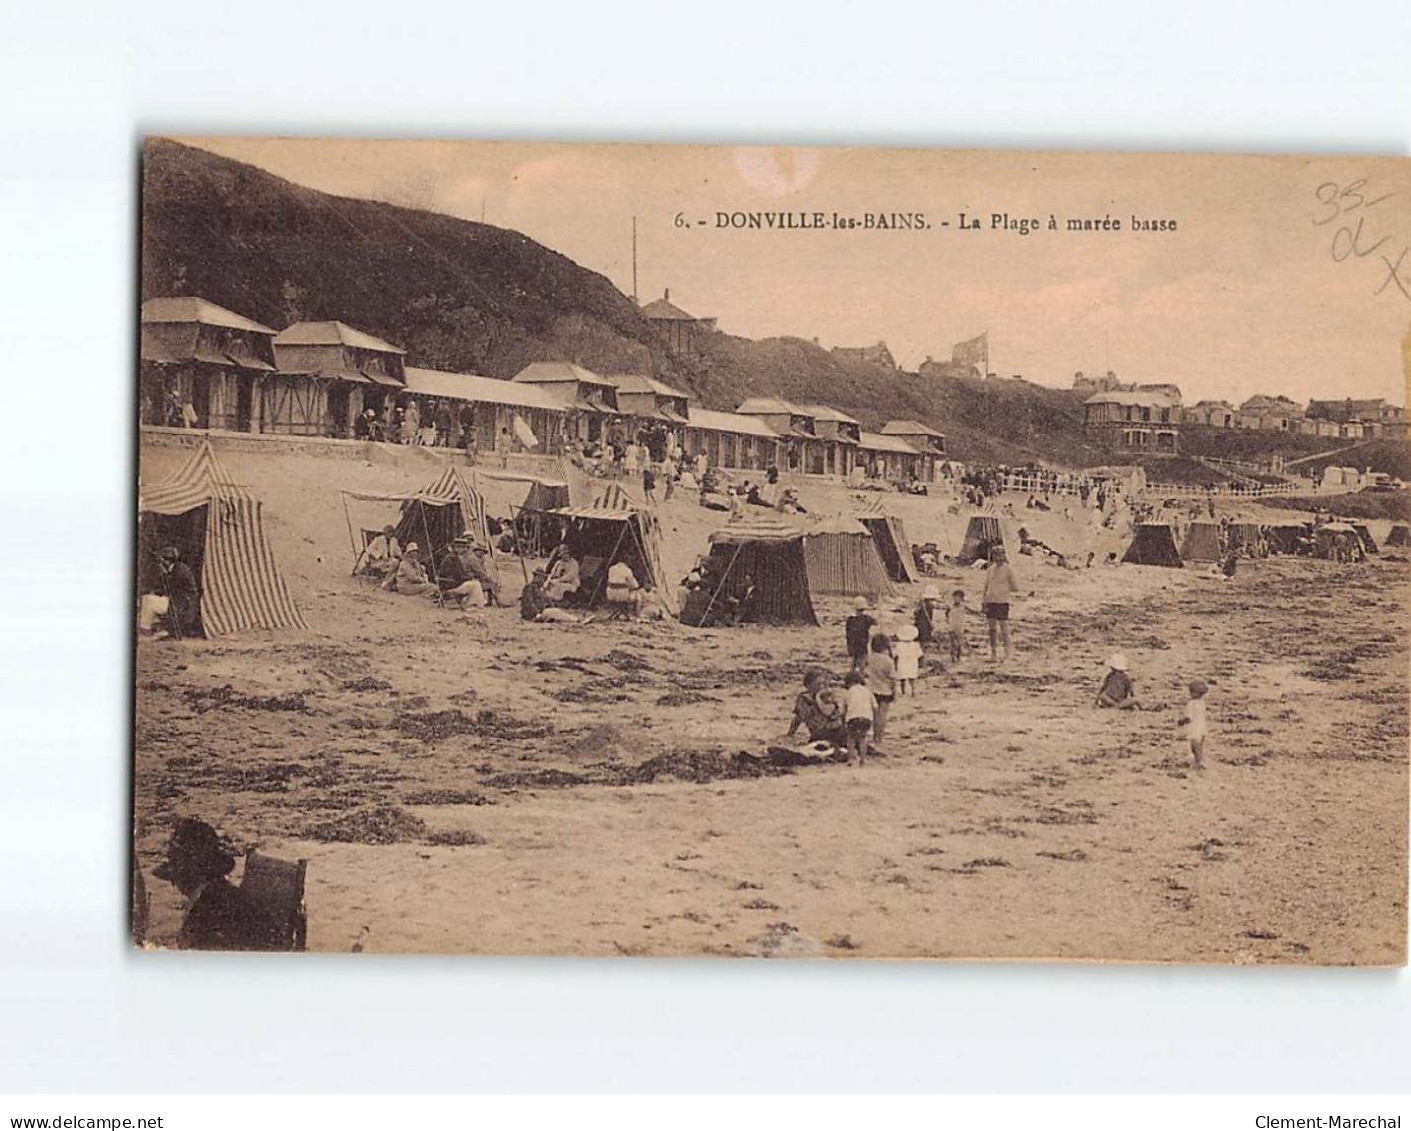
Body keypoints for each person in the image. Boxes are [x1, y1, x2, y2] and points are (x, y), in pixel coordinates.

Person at [152, 818, 266, 951]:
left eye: (176, 877)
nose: (173, 884)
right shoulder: (222, 893)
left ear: (187, 877)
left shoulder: (206, 908)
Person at [787, 668, 847, 746]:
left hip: (836, 731)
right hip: (820, 733)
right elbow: (798, 718)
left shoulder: (828, 696)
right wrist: (790, 734)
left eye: (823, 684)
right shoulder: (805, 699)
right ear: (808, 685)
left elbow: (841, 714)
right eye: (818, 684)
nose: (821, 687)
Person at [981, 545, 1020, 662]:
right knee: (992, 629)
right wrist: (983, 601)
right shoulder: (990, 569)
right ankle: (993, 654)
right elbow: (986, 586)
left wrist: (1003, 589)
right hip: (990, 601)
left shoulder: (1008, 570)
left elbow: (1015, 587)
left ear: (1004, 556)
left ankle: (1008, 653)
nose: (998, 558)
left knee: (1004, 628)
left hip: (1002, 602)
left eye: (1000, 555)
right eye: (996, 555)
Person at [157, 546, 200, 639]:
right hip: (182, 598)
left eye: (163, 559)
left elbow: (171, 587)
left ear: (168, 560)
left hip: (186, 600)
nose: (161, 562)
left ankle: (173, 631)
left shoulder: (180, 570)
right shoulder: (177, 568)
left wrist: (165, 574)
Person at [866, 634, 896, 744]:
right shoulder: (888, 661)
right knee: (883, 715)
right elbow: (892, 678)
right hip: (885, 690)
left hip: (872, 690)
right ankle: (880, 737)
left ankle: (875, 735)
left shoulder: (870, 658)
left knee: (875, 715)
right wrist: (894, 692)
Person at [843, 670, 876, 765]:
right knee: (863, 738)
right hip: (866, 717)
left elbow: (844, 708)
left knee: (851, 738)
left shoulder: (848, 692)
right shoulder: (868, 691)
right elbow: (875, 707)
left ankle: (851, 759)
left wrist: (843, 719)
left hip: (852, 717)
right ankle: (863, 759)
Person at [1180, 680, 1209, 770]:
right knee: (1200, 745)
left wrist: (1181, 721)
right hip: (1202, 726)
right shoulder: (1202, 703)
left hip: (1194, 727)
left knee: (1194, 745)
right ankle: (1199, 760)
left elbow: (1188, 717)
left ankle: (1199, 761)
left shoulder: (1191, 704)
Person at [845, 596, 875, 668]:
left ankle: (854, 671)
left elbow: (848, 632)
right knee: (861, 660)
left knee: (854, 660)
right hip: (862, 643)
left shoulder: (850, 619)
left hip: (852, 644)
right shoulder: (866, 619)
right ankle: (859, 672)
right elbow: (875, 622)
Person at [894, 624, 922, 695]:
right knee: (912, 678)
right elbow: (920, 655)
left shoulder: (899, 645)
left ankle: (903, 691)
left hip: (902, 663)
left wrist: (895, 663)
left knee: (902, 678)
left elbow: (896, 655)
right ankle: (913, 691)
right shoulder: (916, 645)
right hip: (912, 663)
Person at [947, 588, 969, 664]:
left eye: (958, 597)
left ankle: (958, 657)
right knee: (952, 643)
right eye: (955, 597)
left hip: (960, 628)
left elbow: (972, 611)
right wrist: (948, 621)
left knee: (959, 643)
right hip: (952, 627)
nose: (956, 599)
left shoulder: (963, 607)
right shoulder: (950, 606)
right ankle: (952, 657)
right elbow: (946, 614)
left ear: (961, 599)